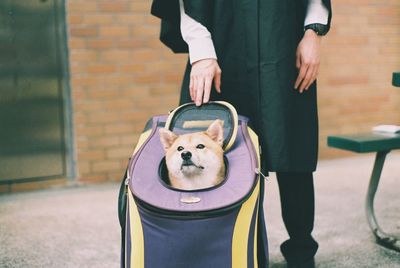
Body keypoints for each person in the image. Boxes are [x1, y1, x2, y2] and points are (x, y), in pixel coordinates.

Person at [151, 1, 332, 267]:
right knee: (223, 152)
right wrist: (201, 53)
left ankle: (301, 249)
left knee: (291, 147)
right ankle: (229, 250)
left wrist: (313, 31)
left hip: (283, 41)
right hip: (221, 46)